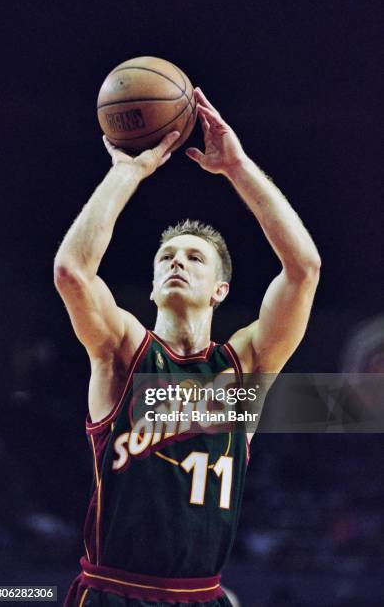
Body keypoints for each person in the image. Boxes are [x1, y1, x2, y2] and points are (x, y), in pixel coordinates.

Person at [55, 87, 321, 606]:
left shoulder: (243, 367)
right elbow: (72, 271)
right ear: (153, 286)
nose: (177, 262)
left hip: (204, 596)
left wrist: (238, 167)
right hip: (116, 593)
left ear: (221, 291)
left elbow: (304, 268)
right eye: (166, 257)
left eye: (195, 259)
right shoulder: (124, 351)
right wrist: (126, 172)